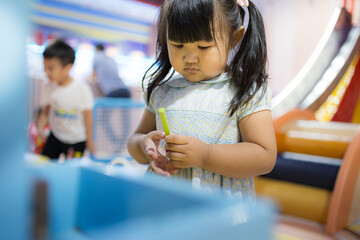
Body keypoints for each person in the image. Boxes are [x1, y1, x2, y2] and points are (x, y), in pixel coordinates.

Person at [127, 0, 277, 201]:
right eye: (178, 44)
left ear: (234, 38)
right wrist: (144, 145)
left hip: (219, 211)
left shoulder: (245, 91)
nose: (190, 57)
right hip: (163, 203)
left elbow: (264, 156)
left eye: (204, 46)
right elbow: (135, 141)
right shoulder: (164, 91)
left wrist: (206, 155)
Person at [38, 40, 95, 159]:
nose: (46, 72)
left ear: (67, 67)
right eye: (45, 67)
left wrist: (90, 141)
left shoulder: (82, 89)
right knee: (45, 164)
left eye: (51, 68)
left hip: (77, 139)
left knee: (73, 170)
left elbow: (88, 117)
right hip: (56, 136)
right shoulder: (48, 86)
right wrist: (40, 128)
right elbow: (46, 110)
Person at [92, 43, 131, 150]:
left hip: (112, 92)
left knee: (103, 119)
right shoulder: (110, 59)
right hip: (125, 91)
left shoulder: (96, 57)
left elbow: (93, 75)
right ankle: (122, 145)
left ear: (96, 49)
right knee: (126, 122)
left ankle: (114, 140)